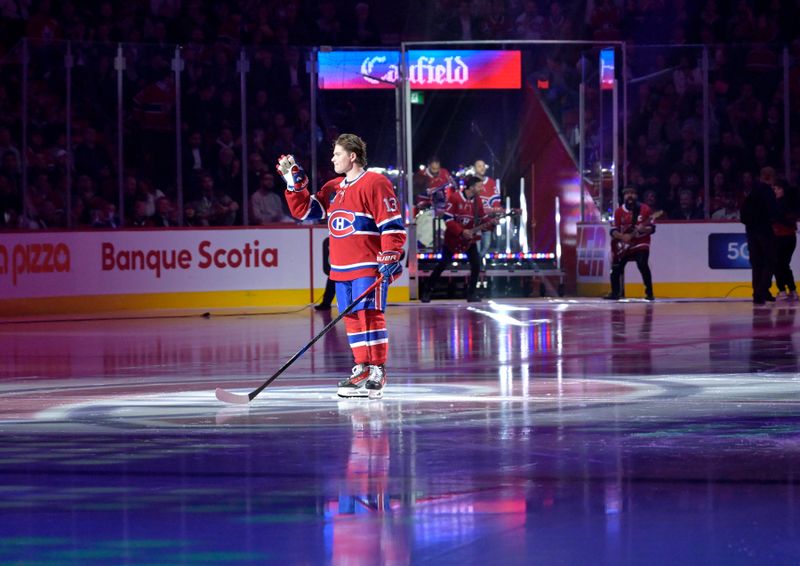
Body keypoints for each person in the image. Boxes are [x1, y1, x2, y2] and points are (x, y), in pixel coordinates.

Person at [280, 133, 406, 400]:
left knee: (369, 315)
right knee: (350, 318)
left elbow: (391, 222)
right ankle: (361, 368)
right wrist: (295, 184)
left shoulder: (375, 182)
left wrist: (391, 253)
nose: (332, 158)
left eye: (337, 154)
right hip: (341, 268)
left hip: (366, 264)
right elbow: (305, 212)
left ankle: (377, 370)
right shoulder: (333, 188)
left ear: (352, 156)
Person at [420, 175, 498, 303]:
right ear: (471, 187)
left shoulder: (477, 201)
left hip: (469, 240)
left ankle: (471, 293)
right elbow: (448, 219)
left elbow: (482, 218)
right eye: (479, 186)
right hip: (454, 238)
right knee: (443, 264)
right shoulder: (455, 198)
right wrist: (461, 232)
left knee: (476, 264)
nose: (482, 188)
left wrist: (491, 222)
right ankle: (427, 291)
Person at [605, 187, 656, 300]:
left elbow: (652, 229)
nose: (630, 196)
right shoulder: (618, 212)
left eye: (632, 193)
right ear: (624, 197)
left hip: (640, 242)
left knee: (642, 264)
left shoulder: (645, 209)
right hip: (624, 245)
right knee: (616, 267)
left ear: (636, 195)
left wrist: (644, 229)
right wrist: (623, 237)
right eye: (627, 194)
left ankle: (649, 292)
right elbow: (612, 230)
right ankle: (615, 292)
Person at [741, 167, 778, 304]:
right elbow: (773, 212)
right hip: (764, 231)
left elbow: (743, 213)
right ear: (770, 177)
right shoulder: (767, 192)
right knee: (770, 260)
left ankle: (759, 292)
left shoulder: (753, 192)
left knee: (757, 263)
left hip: (751, 231)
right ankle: (761, 291)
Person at [771, 179, 798, 301]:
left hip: (781, 237)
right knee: (784, 264)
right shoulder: (790, 203)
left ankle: (782, 290)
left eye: (776, 188)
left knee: (778, 264)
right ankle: (792, 290)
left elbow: (782, 219)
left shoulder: (779, 204)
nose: (774, 191)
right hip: (788, 238)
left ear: (782, 190)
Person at [314, 237, 337, 311]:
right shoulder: (332, 240)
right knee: (331, 284)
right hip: (335, 267)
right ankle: (326, 303)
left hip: (343, 266)